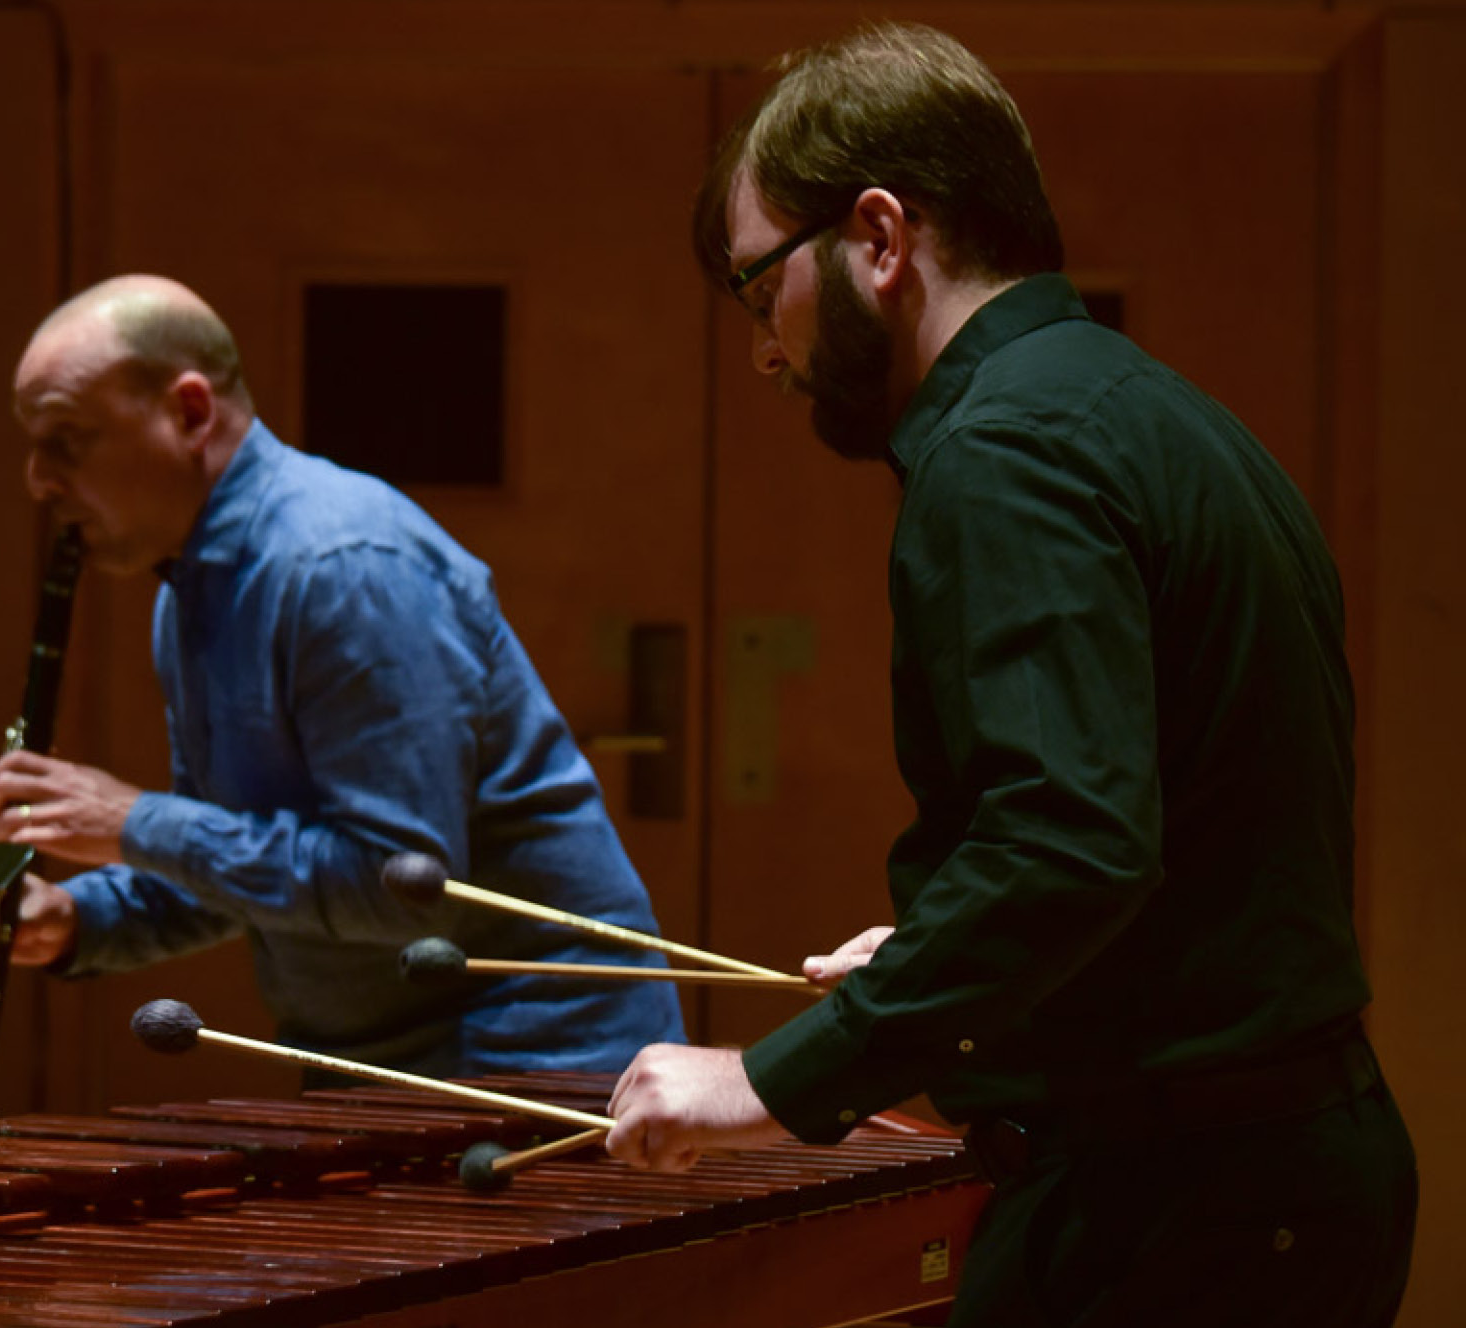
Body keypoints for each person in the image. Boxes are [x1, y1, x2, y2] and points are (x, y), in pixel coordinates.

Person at [604, 21, 1416, 1327]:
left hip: (1176, 1202)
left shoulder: (1001, 453)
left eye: (762, 293)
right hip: (1275, 1169)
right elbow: (1171, 830)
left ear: (875, 239)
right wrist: (953, 962)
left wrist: (770, 1080)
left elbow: (1067, 847)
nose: (764, 351)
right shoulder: (1150, 411)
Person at [0, 273, 683, 1078]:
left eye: (65, 441)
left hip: (539, 1063)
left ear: (188, 413)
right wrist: (74, 918)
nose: (37, 480)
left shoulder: (340, 566)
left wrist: (138, 822)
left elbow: (399, 890)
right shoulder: (188, 596)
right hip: (381, 1065)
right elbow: (245, 861)